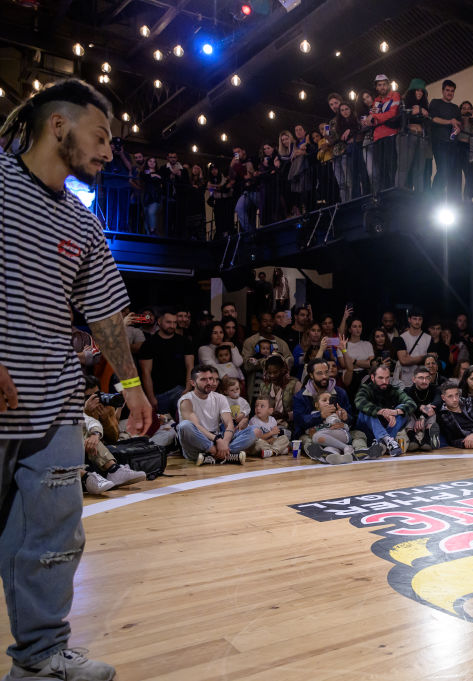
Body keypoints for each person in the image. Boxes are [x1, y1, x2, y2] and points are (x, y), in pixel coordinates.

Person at [0, 78, 154, 681]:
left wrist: (135, 388)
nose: (108, 152)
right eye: (101, 136)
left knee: (54, 541)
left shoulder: (83, 223)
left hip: (57, 405)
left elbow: (106, 311)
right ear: (59, 126)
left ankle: (39, 660)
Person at [177, 365, 256, 465]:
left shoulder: (220, 398)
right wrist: (217, 440)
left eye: (210, 379)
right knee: (185, 426)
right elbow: (196, 426)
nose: (209, 382)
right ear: (193, 383)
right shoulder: (186, 400)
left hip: (217, 438)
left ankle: (213, 457)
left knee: (254, 430)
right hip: (199, 441)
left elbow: (229, 424)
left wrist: (224, 443)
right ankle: (225, 455)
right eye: (203, 379)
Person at [354, 364, 418, 457]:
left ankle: (384, 442)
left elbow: (412, 404)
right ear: (372, 377)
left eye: (387, 378)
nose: (384, 381)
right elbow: (359, 402)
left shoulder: (393, 390)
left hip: (387, 428)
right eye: (380, 378)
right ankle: (386, 439)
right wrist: (382, 412)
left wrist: (394, 412)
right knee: (367, 410)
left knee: (403, 409)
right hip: (367, 430)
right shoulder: (365, 389)